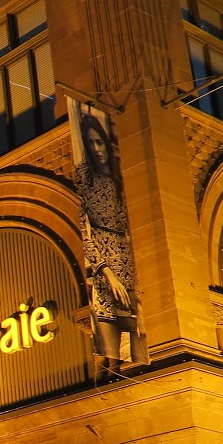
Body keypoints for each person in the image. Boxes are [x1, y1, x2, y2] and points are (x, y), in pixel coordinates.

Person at [74, 110, 143, 380]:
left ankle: (124, 373)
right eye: (90, 143)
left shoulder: (117, 178)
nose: (96, 148)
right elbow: (87, 236)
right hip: (106, 267)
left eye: (99, 142)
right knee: (106, 333)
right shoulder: (87, 180)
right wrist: (107, 273)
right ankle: (106, 375)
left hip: (125, 258)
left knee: (132, 326)